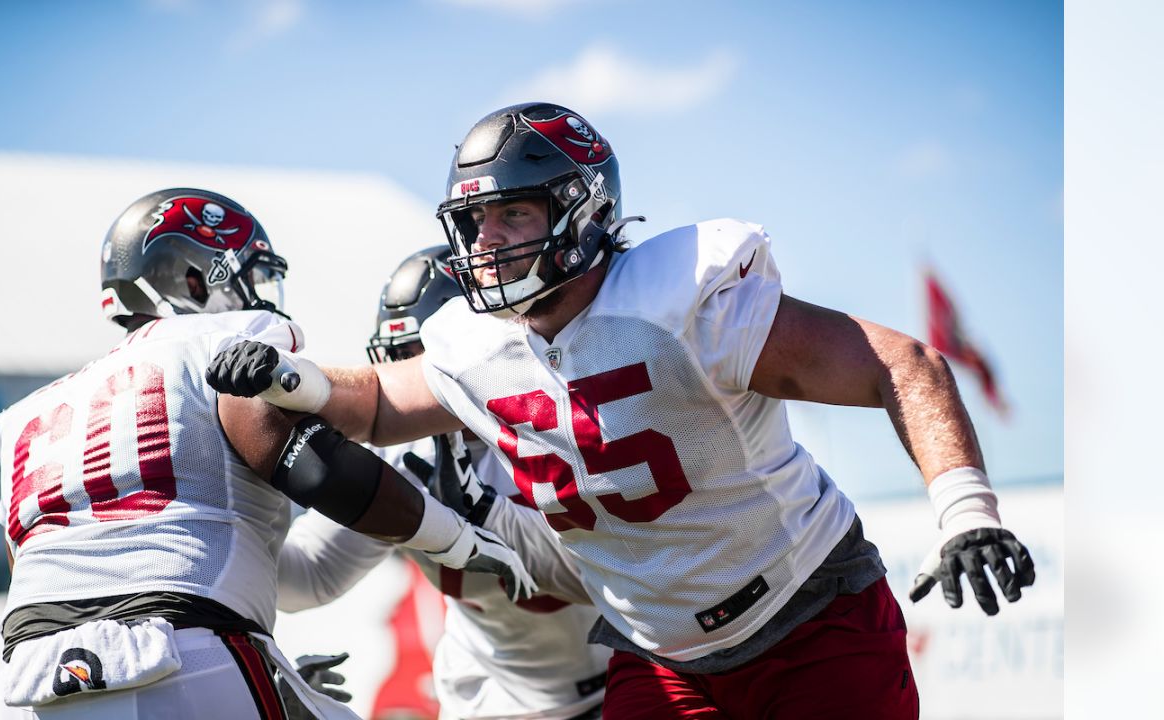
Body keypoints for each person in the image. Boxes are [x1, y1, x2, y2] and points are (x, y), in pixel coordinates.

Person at [208, 102, 1036, 718]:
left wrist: (966, 511)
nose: (487, 240)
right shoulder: (474, 344)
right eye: (475, 220)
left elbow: (899, 362)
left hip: (807, 619)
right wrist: (294, 381)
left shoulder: (683, 300)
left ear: (582, 209)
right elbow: (383, 402)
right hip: (660, 656)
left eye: (512, 213)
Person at [0, 188, 535, 720]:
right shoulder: (217, 343)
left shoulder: (29, 414)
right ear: (196, 280)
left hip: (41, 673)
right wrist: (460, 540)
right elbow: (322, 471)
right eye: (254, 276)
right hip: (188, 641)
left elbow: (31, 562)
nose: (260, 295)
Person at [275, 246, 610, 720]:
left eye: (423, 355)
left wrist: (486, 512)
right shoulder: (399, 458)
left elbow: (619, 570)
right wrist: (251, 501)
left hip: (633, 671)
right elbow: (305, 577)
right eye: (396, 358)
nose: (407, 376)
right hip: (499, 701)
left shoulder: (562, 421)